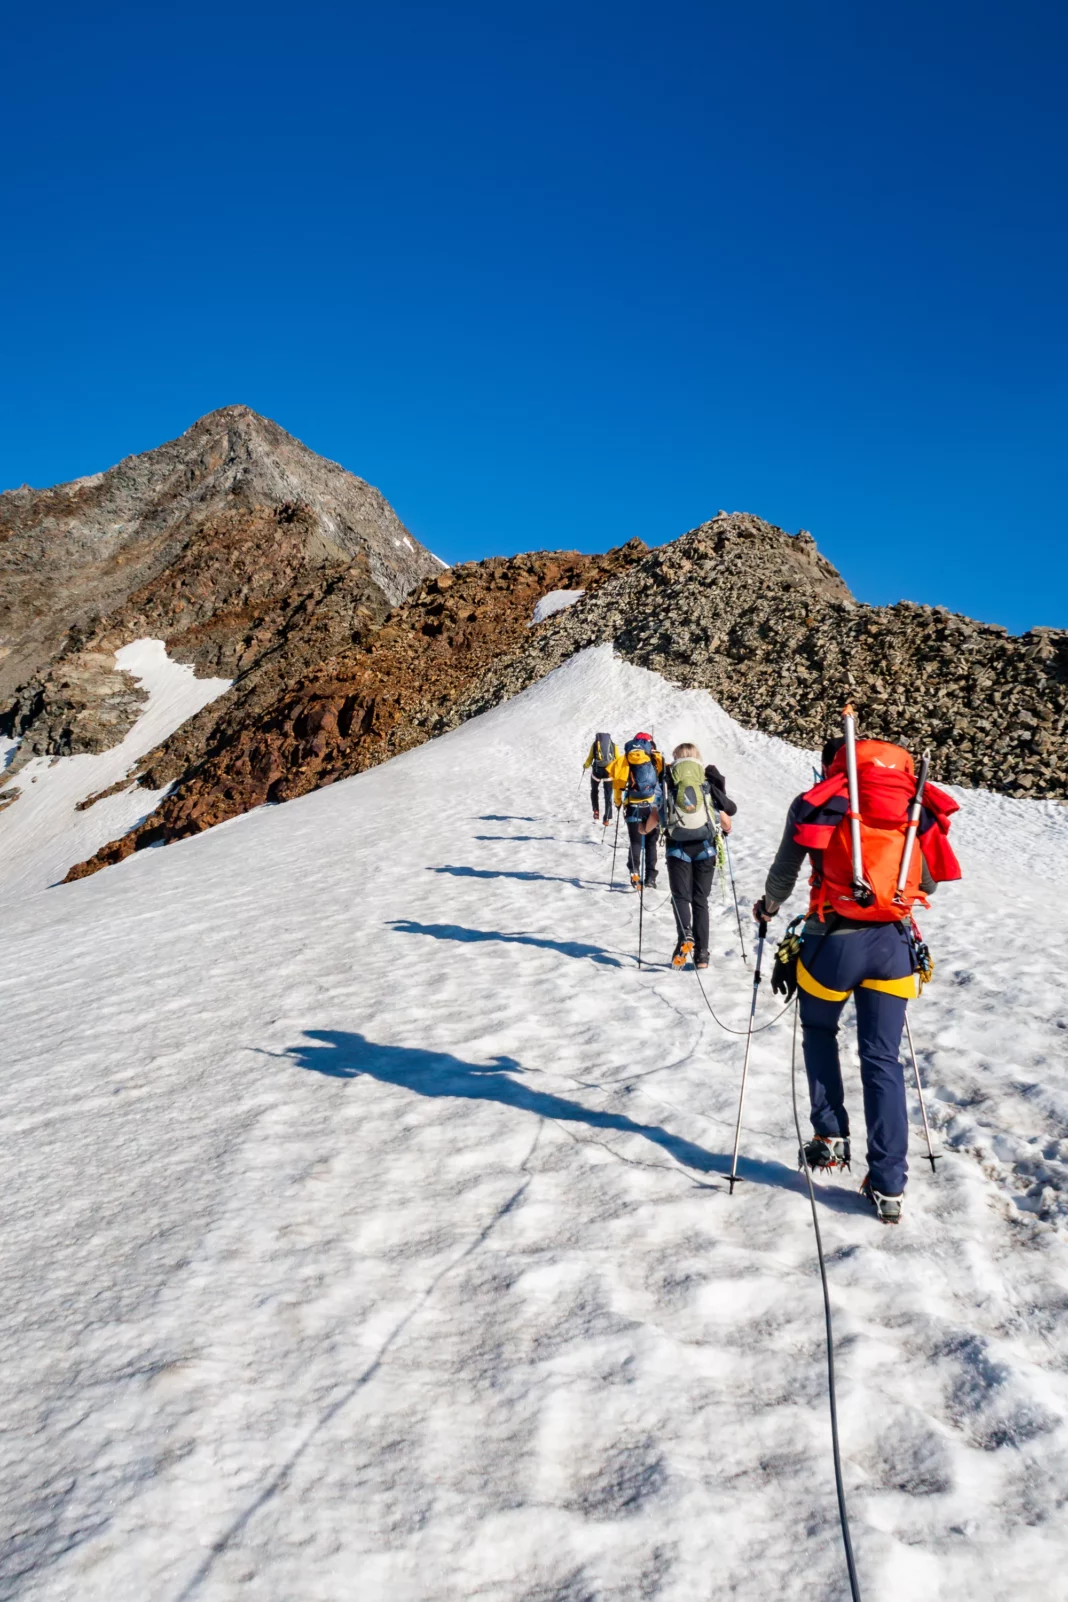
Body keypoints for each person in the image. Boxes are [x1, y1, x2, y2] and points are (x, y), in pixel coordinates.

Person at [752, 730, 961, 1224]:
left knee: (821, 1030)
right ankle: (888, 1185)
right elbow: (927, 880)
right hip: (893, 945)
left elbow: (785, 870)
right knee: (882, 1059)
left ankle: (829, 1136)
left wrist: (769, 907)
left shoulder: (820, 802)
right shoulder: (908, 807)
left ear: (832, 766)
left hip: (833, 942)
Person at [662, 744, 737, 969]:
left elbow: (658, 813)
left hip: (677, 848)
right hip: (706, 848)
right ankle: (702, 956)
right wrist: (726, 829)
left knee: (681, 897)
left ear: (676, 760)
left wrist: (645, 831)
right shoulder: (705, 782)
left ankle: (685, 935)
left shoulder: (669, 782)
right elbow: (727, 817)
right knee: (700, 900)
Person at [609, 732, 664, 888]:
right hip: (652, 807)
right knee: (651, 843)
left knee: (635, 842)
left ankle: (634, 872)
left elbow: (618, 782)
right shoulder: (655, 758)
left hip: (633, 806)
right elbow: (662, 782)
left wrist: (618, 802)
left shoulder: (625, 759)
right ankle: (651, 878)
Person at [582, 732, 618, 825]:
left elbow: (590, 758)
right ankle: (606, 819)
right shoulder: (613, 746)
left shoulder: (594, 745)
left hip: (597, 771)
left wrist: (585, 766)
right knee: (608, 795)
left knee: (594, 790)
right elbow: (617, 759)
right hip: (608, 772)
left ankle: (596, 812)